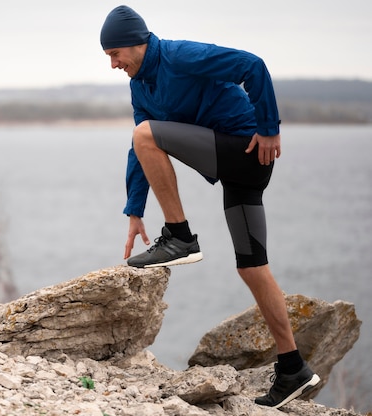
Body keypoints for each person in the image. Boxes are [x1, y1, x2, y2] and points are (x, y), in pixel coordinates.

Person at [100, 5, 320, 409]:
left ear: (139, 42)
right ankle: (293, 368)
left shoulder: (181, 56)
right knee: (252, 267)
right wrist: (134, 209)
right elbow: (139, 151)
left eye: (115, 54)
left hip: (248, 150)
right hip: (240, 168)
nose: (113, 64)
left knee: (146, 134)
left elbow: (252, 65)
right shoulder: (141, 87)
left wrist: (269, 128)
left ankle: (180, 237)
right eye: (108, 57)